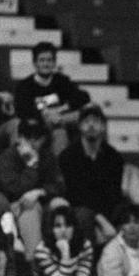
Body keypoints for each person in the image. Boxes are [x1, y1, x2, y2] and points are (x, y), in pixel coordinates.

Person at [0, 117, 67, 261]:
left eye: (37, 137)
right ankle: (36, 263)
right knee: (30, 210)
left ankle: (66, 259)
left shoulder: (47, 156)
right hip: (12, 208)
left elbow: (60, 186)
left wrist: (40, 192)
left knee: (61, 205)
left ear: (43, 138)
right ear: (19, 137)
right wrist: (32, 166)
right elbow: (15, 191)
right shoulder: (6, 158)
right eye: (27, 137)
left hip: (43, 203)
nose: (32, 142)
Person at [58, 103, 124, 247]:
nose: (91, 125)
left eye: (96, 121)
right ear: (79, 126)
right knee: (83, 215)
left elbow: (114, 193)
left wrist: (106, 221)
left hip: (107, 211)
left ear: (103, 127)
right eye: (86, 121)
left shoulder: (114, 157)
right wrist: (100, 220)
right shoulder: (67, 156)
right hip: (78, 209)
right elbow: (74, 195)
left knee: (126, 212)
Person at [14, 40, 90, 156]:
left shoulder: (61, 81)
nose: (46, 64)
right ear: (35, 63)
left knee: (90, 113)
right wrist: (47, 114)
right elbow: (22, 110)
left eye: (49, 60)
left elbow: (83, 97)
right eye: (42, 60)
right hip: (38, 127)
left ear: (54, 63)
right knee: (60, 132)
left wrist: (60, 110)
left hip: (61, 121)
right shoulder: (25, 85)